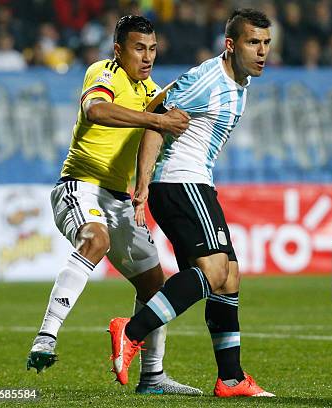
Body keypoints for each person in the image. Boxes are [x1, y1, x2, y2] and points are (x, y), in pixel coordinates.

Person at [26, 15, 202, 396]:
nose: (147, 56)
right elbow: (97, 112)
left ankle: (153, 377)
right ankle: (46, 337)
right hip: (80, 186)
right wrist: (155, 119)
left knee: (157, 284)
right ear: (119, 50)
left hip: (119, 200)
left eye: (153, 49)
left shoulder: (152, 91)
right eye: (139, 48)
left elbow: (149, 143)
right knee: (96, 240)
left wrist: (142, 189)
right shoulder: (103, 73)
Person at [107, 8, 274, 398]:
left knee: (228, 275)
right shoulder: (208, 79)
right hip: (181, 181)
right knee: (215, 270)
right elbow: (156, 118)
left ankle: (230, 379)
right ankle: (130, 330)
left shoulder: (239, 82)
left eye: (266, 43)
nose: (262, 50)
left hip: (196, 183)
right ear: (231, 45)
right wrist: (143, 185)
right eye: (253, 42)